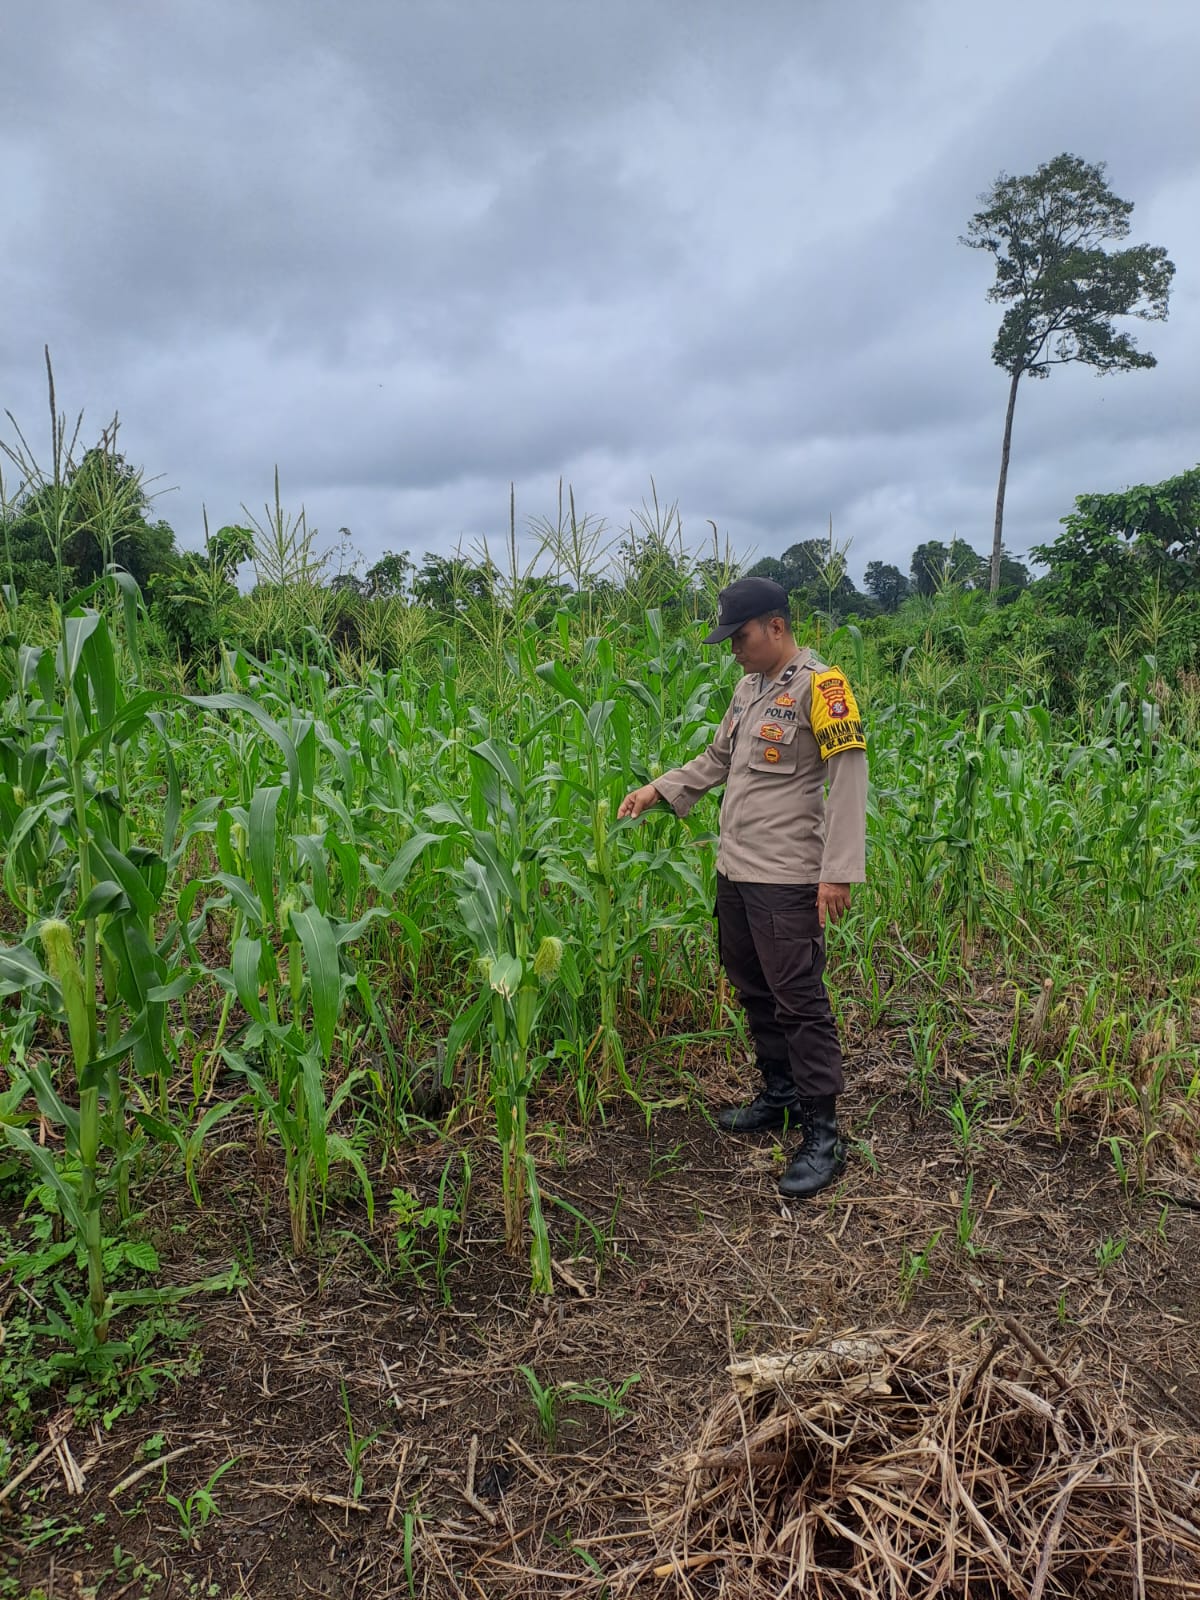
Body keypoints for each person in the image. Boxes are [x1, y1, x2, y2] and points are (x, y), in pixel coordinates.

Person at [618, 576, 867, 1200]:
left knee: (798, 998)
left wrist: (837, 872)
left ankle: (822, 1133)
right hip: (737, 870)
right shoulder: (749, 687)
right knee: (751, 983)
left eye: (742, 636)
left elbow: (848, 777)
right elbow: (717, 760)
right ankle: (779, 1095)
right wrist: (660, 789)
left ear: (776, 627)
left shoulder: (823, 687)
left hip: (786, 876)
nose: (734, 648)